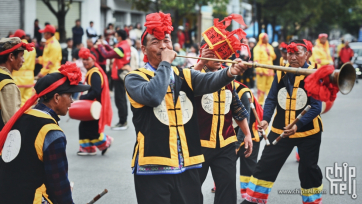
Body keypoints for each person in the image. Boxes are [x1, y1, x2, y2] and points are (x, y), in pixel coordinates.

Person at [125, 12, 250, 204]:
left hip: (188, 165)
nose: (163, 46)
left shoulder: (184, 74)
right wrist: (166, 62)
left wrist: (229, 72)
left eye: (166, 40)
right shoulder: (135, 78)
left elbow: (209, 81)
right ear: (143, 49)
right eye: (155, 42)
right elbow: (154, 95)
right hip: (153, 165)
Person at [241, 40, 323, 204]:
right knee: (265, 165)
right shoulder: (280, 73)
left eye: (297, 53)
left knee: (308, 170)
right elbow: (271, 99)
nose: (292, 57)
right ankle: (253, 200)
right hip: (281, 129)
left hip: (308, 132)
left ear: (307, 55)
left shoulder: (314, 74)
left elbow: (316, 107)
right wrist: (265, 119)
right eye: (289, 53)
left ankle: (312, 202)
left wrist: (297, 125)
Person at [0, 62, 90, 204]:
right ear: (56, 98)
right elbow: (58, 185)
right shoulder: (51, 132)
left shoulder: (21, 117)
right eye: (70, 95)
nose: (72, 101)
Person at [192, 41, 253, 204]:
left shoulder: (228, 78)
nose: (219, 57)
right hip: (198, 145)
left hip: (226, 144)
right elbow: (183, 85)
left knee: (227, 191)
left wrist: (247, 134)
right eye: (214, 53)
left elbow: (236, 108)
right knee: (191, 190)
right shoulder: (194, 75)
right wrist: (201, 63)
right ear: (203, 53)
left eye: (222, 53)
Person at [77, 48, 113, 155]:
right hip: (92, 106)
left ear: (93, 60)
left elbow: (96, 91)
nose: (85, 62)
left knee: (91, 130)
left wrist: (83, 98)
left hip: (95, 107)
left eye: (87, 59)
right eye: (83, 59)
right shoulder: (92, 72)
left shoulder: (94, 74)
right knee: (84, 127)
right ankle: (89, 148)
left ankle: (106, 141)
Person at [97, 29, 131, 130]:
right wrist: (105, 45)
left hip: (119, 76)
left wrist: (99, 46)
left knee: (120, 100)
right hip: (121, 74)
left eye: (116, 36)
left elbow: (107, 55)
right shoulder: (125, 45)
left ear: (120, 37)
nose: (115, 38)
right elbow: (113, 51)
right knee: (122, 99)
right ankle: (123, 121)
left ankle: (122, 122)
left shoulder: (121, 48)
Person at [0, 37, 32, 129]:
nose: (23, 60)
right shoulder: (8, 85)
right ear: (11, 57)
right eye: (21, 55)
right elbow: (11, 122)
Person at [12, 30, 37, 106]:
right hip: (29, 78)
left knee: (17, 101)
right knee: (27, 102)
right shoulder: (32, 48)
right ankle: (26, 117)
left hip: (18, 78)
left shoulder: (18, 47)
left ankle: (19, 117)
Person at [253, 33, 276, 105]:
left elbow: (274, 57)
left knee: (270, 88)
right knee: (261, 87)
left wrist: (270, 54)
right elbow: (256, 60)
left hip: (270, 71)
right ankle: (260, 103)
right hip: (262, 71)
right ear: (262, 39)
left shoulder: (270, 47)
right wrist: (259, 70)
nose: (267, 39)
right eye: (266, 38)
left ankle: (270, 102)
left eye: (267, 38)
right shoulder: (257, 48)